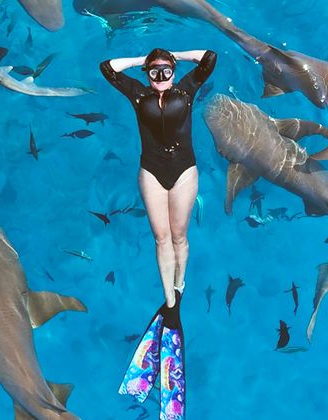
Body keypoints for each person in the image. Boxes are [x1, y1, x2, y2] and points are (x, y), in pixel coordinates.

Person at [100, 47, 216, 419]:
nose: (161, 77)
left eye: (166, 71)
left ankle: (179, 289)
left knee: (180, 237)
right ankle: (170, 301)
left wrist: (174, 56)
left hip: (184, 171)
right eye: (155, 72)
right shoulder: (139, 95)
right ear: (148, 74)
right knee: (161, 238)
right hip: (151, 171)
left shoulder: (187, 89)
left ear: (174, 71)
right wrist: (143, 61)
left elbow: (210, 58)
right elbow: (107, 68)